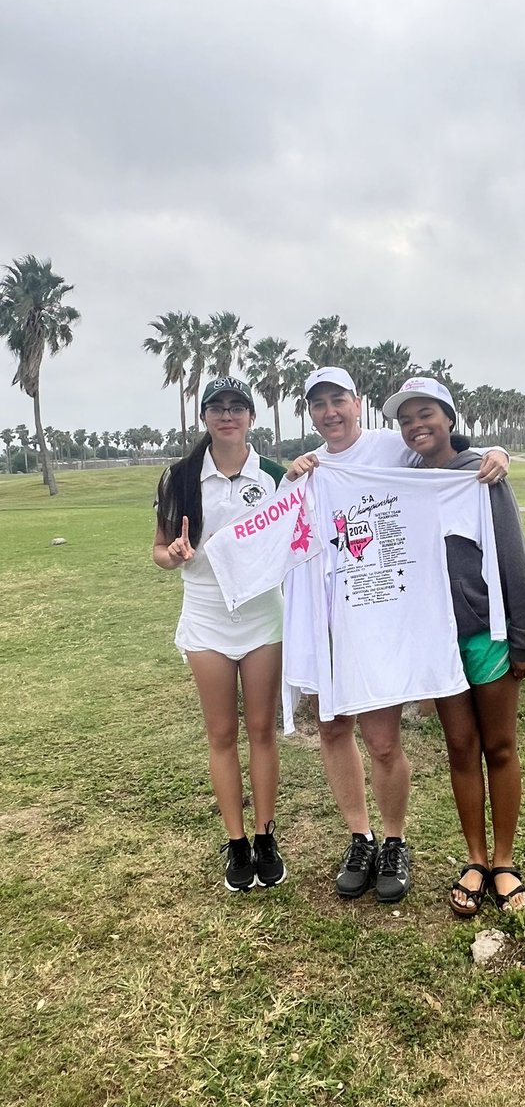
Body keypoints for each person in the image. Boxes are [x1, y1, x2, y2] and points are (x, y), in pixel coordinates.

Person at [285, 367, 509, 904]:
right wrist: (291, 479)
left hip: (385, 618)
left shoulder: (393, 448)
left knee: (383, 740)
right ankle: (358, 837)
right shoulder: (308, 470)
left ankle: (393, 840)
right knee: (332, 728)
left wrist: (493, 451)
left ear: (356, 402)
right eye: (319, 404)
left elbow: (445, 454)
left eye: (338, 399)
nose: (330, 412)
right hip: (332, 618)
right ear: (311, 413)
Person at [381, 377, 525, 915]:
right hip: (436, 642)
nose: (415, 425)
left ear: (448, 417)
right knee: (459, 749)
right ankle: (474, 857)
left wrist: (524, 636)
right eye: (405, 420)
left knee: (498, 747)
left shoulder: (480, 474)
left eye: (424, 413)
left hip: (487, 636)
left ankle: (503, 861)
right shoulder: (400, 480)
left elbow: (513, 555)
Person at [153, 375, 288, 893]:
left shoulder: (273, 475)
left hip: (261, 619)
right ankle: (236, 844)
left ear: (251, 416)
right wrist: (176, 556)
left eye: (237, 407)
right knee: (221, 734)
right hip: (206, 618)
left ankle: (265, 836)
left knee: (261, 730)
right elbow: (160, 551)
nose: (227, 415)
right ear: (204, 416)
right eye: (217, 407)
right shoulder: (180, 477)